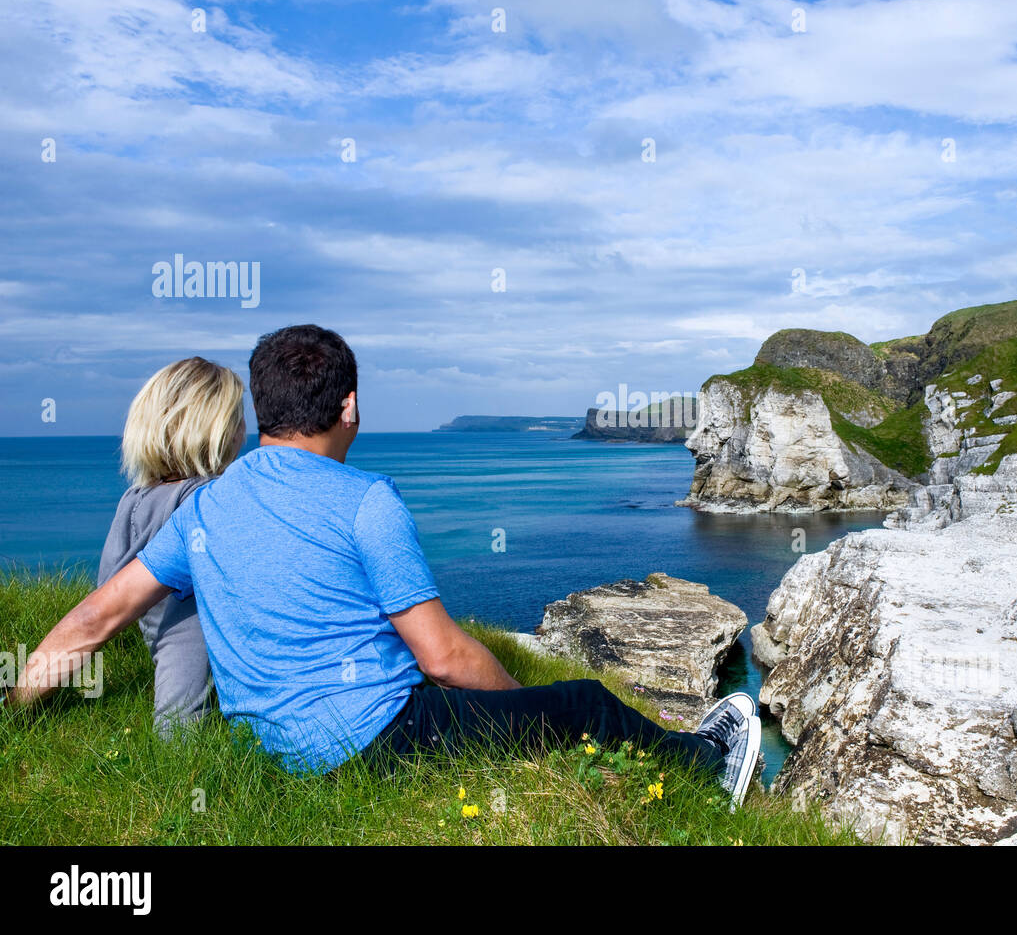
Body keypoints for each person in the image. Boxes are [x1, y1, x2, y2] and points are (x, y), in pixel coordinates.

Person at [5, 325, 762, 808]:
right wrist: (522, 710)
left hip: (265, 746)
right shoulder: (368, 501)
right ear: (351, 406)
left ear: (261, 412)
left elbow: (94, 619)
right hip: (375, 739)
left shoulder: (205, 507)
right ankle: (707, 770)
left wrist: (15, 709)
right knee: (586, 706)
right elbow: (443, 656)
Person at [97, 357, 246, 737]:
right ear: (217, 430)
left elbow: (107, 585)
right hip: (196, 629)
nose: (246, 429)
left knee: (180, 708)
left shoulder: (134, 497)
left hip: (158, 629)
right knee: (180, 728)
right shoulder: (210, 497)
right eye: (238, 418)